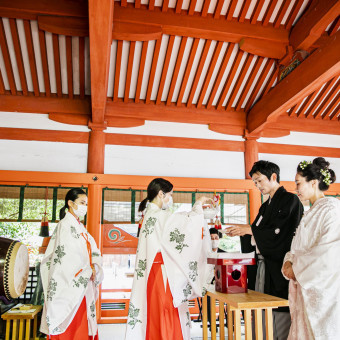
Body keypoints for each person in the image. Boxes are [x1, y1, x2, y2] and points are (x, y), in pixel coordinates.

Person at [125, 178, 212, 340]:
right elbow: (186, 225)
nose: (171, 199)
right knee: (167, 311)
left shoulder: (150, 214)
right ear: (161, 194)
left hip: (156, 272)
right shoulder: (158, 215)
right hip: (163, 272)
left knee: (157, 311)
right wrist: (198, 207)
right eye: (170, 195)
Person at [227, 160, 304, 340]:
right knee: (260, 308)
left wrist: (250, 230)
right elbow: (258, 231)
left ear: (274, 177)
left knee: (279, 313)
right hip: (264, 266)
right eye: (254, 182)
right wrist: (244, 231)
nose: (257, 185)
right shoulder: (264, 206)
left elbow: (281, 233)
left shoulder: (290, 200)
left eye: (260, 180)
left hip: (279, 267)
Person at [282, 157, 339, 340]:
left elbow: (330, 253)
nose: (296, 188)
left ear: (313, 183)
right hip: (305, 289)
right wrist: (289, 260)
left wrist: (296, 267)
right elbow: (296, 247)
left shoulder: (332, 209)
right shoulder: (311, 212)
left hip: (324, 293)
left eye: (298, 183)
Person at [40, 188, 103, 339]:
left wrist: (95, 266)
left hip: (83, 283)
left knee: (81, 323)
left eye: (86, 203)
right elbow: (66, 258)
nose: (85, 207)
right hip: (71, 284)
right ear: (70, 203)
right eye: (82, 203)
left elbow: (93, 250)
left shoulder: (81, 228)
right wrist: (87, 270)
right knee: (72, 326)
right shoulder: (65, 226)